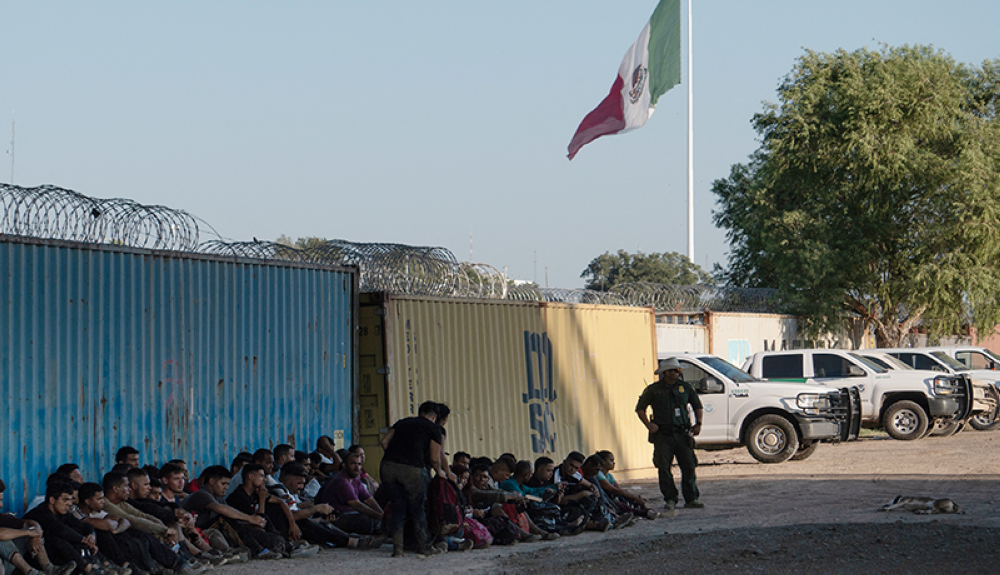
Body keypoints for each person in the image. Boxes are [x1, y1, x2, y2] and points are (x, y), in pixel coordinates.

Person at [378, 401, 446, 557]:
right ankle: (424, 547)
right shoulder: (433, 428)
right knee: (418, 509)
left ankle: (397, 550)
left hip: (387, 467)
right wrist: (439, 471)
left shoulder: (402, 422)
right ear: (434, 417)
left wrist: (394, 457)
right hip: (413, 470)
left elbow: (384, 442)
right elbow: (435, 458)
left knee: (397, 508)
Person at [636, 357, 704, 510]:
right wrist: (648, 424)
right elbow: (640, 408)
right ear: (666, 373)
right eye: (674, 370)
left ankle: (691, 498)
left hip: (682, 433)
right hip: (663, 435)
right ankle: (670, 498)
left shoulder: (685, 388)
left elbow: (697, 405)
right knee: (664, 467)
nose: (678, 373)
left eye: (678, 370)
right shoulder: (653, 390)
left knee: (689, 466)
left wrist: (698, 423)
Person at [0, 479, 71, 575]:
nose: (1, 505)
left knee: (30, 530)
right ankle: (31, 572)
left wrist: (35, 531)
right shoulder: (43, 511)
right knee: (3, 539)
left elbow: (28, 522)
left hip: (7, 564)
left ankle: (50, 569)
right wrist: (29, 532)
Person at [316, 453, 383, 535]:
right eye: (353, 463)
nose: (357, 467)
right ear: (344, 465)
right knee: (366, 520)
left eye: (359, 464)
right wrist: (380, 517)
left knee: (375, 515)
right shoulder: (341, 480)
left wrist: (382, 514)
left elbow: (369, 499)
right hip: (336, 517)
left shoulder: (355, 479)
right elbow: (357, 505)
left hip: (351, 514)